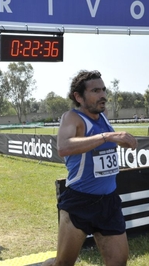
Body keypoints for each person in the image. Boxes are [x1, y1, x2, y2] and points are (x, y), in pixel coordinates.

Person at [42, 70, 137, 266]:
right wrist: (108, 137)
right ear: (78, 96)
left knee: (119, 262)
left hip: (109, 203)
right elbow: (63, 147)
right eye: (95, 90)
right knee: (63, 263)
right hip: (79, 202)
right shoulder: (72, 118)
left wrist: (122, 141)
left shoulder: (104, 116)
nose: (102, 95)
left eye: (103, 89)